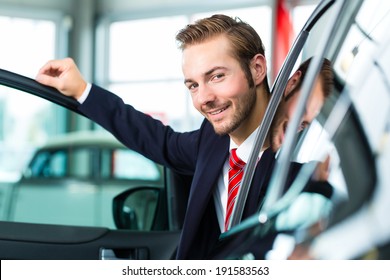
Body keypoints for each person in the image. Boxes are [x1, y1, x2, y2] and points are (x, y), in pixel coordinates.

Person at [36, 14, 274, 259]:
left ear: (257, 69)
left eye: (216, 77)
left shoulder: (299, 156)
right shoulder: (212, 140)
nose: (203, 99)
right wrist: (81, 90)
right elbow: (156, 139)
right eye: (193, 85)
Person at [269, 57, 334, 152]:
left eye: (303, 124)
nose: (296, 127)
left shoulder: (274, 165)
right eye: (301, 111)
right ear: (293, 83)